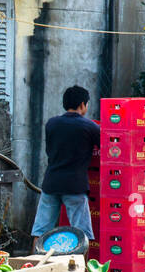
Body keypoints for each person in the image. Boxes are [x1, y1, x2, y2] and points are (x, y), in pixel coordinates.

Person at [31, 84, 99, 247]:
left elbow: (50, 150)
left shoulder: (51, 124)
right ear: (83, 104)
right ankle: (82, 271)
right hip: (75, 186)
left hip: (51, 183)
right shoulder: (90, 127)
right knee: (82, 235)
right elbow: (108, 148)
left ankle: (33, 267)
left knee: (40, 232)